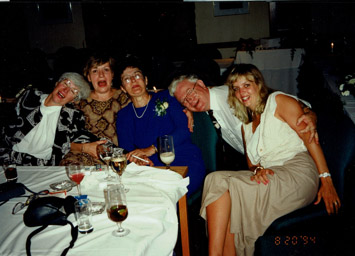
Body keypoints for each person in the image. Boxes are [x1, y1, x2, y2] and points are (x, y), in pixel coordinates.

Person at [199, 64, 340, 255]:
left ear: (258, 84)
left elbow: (310, 139)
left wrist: (326, 178)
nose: (242, 92)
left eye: (246, 85)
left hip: (298, 174)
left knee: (224, 186)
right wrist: (257, 170)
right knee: (217, 183)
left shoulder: (278, 101)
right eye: (236, 88)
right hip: (273, 175)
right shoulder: (245, 125)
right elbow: (252, 164)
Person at [115, 57, 206, 196]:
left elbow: (184, 130)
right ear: (122, 88)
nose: (133, 80)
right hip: (149, 167)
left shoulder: (167, 97)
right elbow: (127, 150)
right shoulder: (123, 116)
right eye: (127, 79)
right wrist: (139, 159)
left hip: (184, 160)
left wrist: (153, 148)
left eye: (137, 75)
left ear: (145, 80)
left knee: (164, 194)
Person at [168, 74, 318, 156]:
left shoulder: (232, 94)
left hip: (290, 154)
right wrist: (187, 111)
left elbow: (274, 97)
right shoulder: (207, 104)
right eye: (184, 100)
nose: (190, 99)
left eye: (190, 92)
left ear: (201, 84)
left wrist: (307, 111)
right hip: (258, 164)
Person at [0, 72, 103, 166]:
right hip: (8, 159)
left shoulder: (71, 116)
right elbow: (7, 129)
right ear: (57, 83)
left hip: (39, 166)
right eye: (66, 83)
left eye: (73, 91)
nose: (65, 90)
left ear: (73, 100)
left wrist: (102, 147)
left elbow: (83, 136)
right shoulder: (29, 98)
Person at [60, 52, 130, 166]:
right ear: (88, 77)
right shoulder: (79, 102)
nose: (101, 75)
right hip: (85, 155)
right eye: (95, 71)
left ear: (112, 74)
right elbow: (64, 140)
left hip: (117, 155)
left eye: (106, 70)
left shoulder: (125, 98)